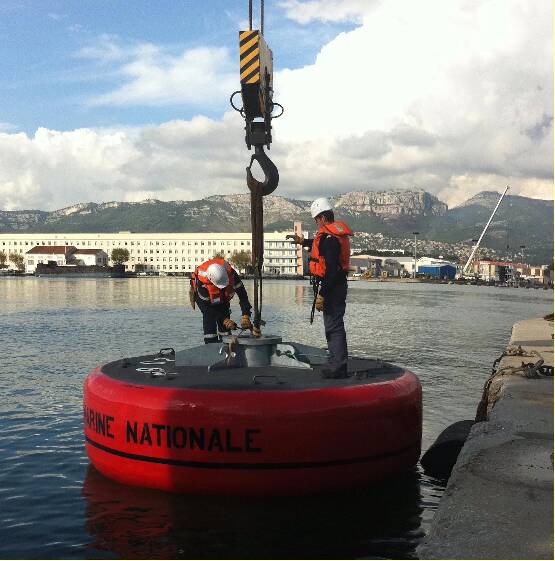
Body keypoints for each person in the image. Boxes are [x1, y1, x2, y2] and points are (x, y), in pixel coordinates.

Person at [288, 197, 353, 378]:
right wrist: (304, 242)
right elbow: (320, 245)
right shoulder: (334, 235)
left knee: (333, 327)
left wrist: (322, 294)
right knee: (334, 325)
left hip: (332, 286)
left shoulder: (329, 238)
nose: (316, 224)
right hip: (338, 285)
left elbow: (331, 269)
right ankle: (337, 362)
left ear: (322, 218)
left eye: (316, 220)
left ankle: (338, 367)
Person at [190, 258, 254, 343]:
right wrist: (224, 319)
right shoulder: (202, 284)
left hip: (223, 299)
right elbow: (207, 308)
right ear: (211, 280)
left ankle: (227, 346)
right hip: (206, 303)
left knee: (225, 328)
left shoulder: (232, 274)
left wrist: (246, 314)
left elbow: (243, 295)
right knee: (210, 324)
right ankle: (211, 346)